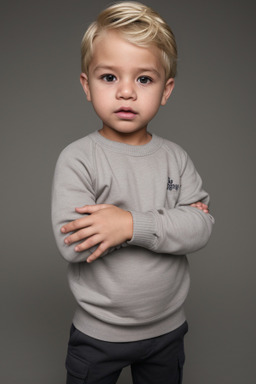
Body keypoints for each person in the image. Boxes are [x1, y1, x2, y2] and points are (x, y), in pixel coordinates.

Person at [51, 2, 214, 383]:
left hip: (167, 332)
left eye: (144, 79)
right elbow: (73, 242)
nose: (126, 92)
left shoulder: (176, 157)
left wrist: (128, 225)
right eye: (109, 77)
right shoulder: (79, 158)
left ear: (166, 89)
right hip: (98, 334)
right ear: (86, 85)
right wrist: (172, 222)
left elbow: (202, 227)